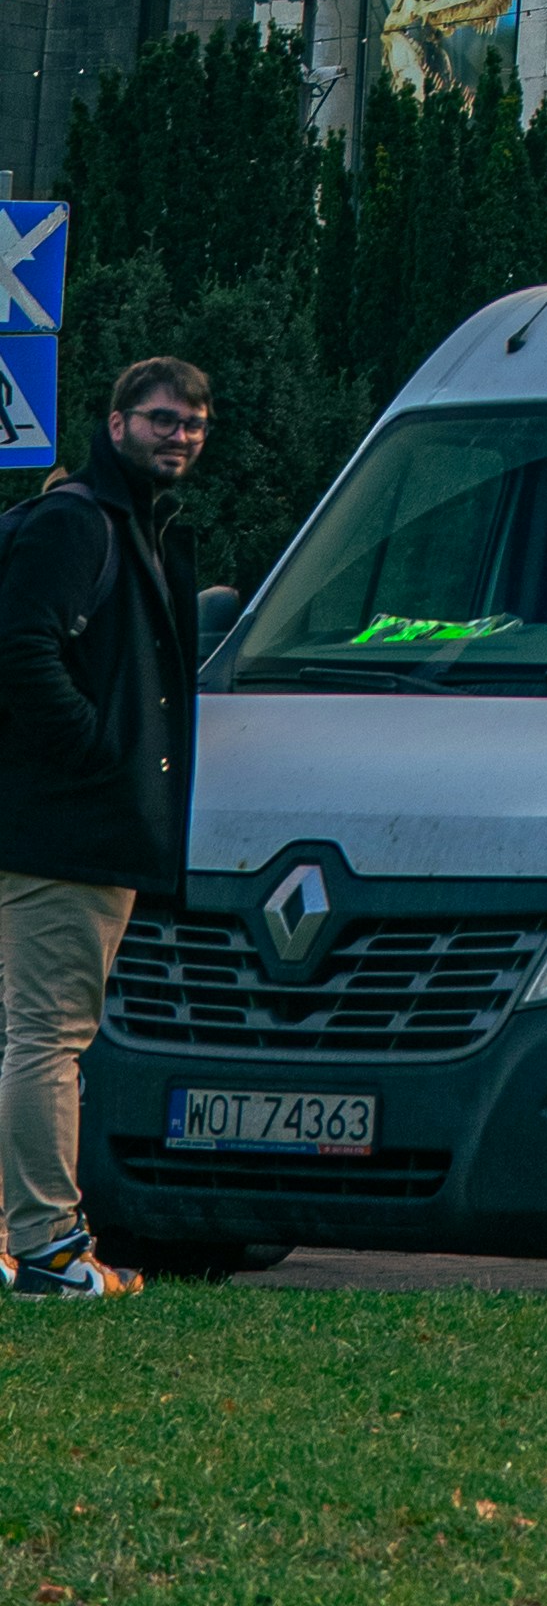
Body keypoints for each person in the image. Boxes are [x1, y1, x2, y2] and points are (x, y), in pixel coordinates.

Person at [0, 354, 213, 1299]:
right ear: (118, 421)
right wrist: (97, 756)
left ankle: (17, 1245)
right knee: (51, 1035)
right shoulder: (83, 523)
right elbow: (19, 647)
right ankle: (49, 1249)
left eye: (195, 423)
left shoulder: (124, 525)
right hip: (65, 830)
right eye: (163, 419)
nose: (181, 436)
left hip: (50, 822)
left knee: (20, 1034)